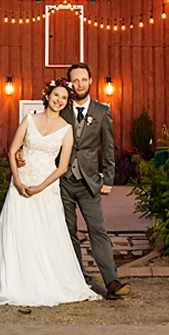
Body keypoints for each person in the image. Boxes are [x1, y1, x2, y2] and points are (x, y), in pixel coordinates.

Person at [0, 78, 100, 307]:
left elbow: (62, 166)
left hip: (46, 186)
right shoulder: (29, 119)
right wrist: (18, 181)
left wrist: (41, 186)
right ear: (47, 95)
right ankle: (13, 282)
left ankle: (46, 282)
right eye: (56, 95)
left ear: (66, 102)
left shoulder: (67, 129)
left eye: (63, 98)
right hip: (21, 182)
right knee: (17, 231)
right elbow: (12, 151)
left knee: (45, 233)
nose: (59, 100)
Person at [19, 63, 132, 300]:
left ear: (91, 81)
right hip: (62, 181)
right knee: (67, 231)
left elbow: (108, 147)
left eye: (83, 79)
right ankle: (76, 278)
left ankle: (111, 281)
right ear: (70, 84)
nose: (79, 84)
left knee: (97, 229)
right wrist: (22, 153)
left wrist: (108, 178)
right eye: (75, 81)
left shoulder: (102, 111)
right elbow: (42, 131)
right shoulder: (63, 108)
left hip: (90, 181)